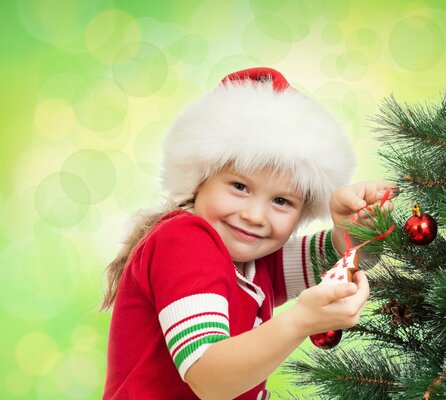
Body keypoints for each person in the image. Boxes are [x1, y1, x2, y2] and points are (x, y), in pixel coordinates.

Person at [101, 67, 395, 400]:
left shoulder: (254, 258)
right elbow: (209, 379)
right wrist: (299, 322)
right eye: (240, 186)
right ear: (200, 179)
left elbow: (336, 257)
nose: (254, 216)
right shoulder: (183, 240)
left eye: (281, 201)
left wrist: (351, 228)